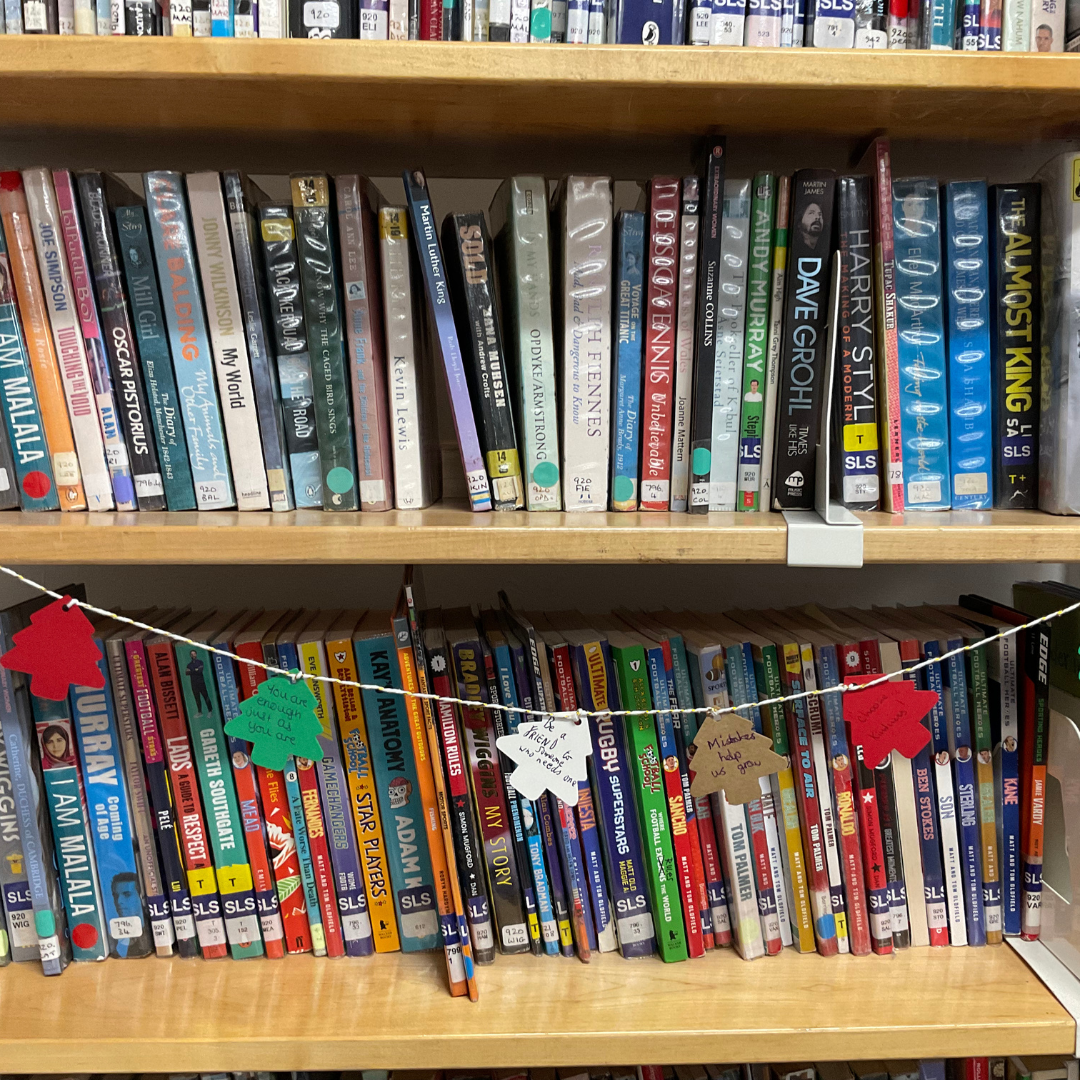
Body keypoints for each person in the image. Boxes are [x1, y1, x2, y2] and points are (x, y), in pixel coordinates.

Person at [110, 871, 152, 958]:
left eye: (127, 895)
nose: (119, 901)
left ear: (141, 896)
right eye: (116, 896)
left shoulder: (152, 931)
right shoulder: (110, 937)